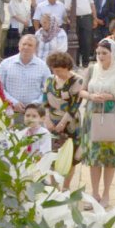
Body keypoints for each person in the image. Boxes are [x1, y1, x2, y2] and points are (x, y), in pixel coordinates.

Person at [80, 39, 115, 207]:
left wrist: (111, 97)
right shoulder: (92, 69)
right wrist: (90, 96)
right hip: (92, 113)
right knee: (94, 156)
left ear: (113, 54)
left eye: (104, 53)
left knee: (109, 156)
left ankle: (106, 194)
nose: (100, 56)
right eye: (98, 53)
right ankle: (94, 193)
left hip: (110, 114)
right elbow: (81, 90)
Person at [42, 52, 84, 187]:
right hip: (51, 121)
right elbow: (44, 100)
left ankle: (66, 186)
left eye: (59, 70)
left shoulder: (77, 80)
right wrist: (47, 118)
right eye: (54, 70)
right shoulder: (49, 79)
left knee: (70, 157)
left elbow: (75, 105)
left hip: (70, 122)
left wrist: (63, 122)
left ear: (67, 67)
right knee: (52, 155)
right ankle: (53, 186)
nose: (56, 73)